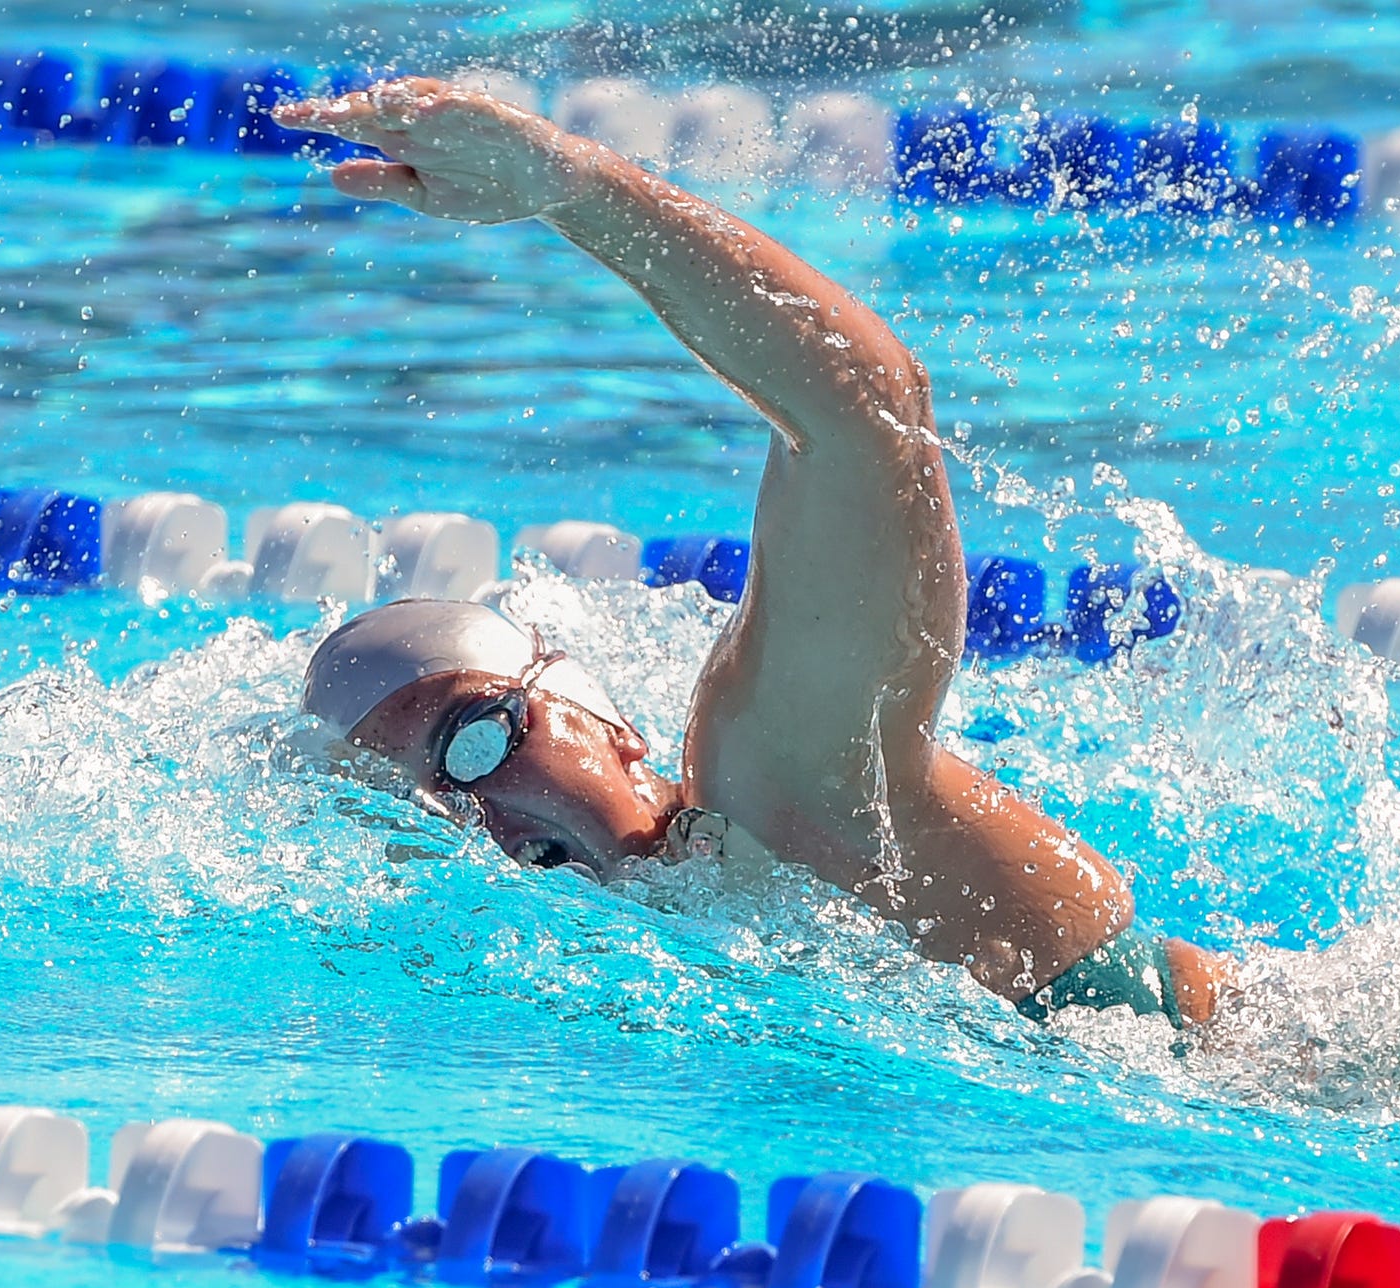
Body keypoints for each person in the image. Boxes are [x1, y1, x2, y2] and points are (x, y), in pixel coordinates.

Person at [277, 79, 1228, 1029]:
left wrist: (573, 185)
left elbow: (864, 414)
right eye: (417, 813)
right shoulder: (627, 982)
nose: (475, 824)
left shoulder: (778, 783)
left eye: (473, 744)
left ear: (604, 725)